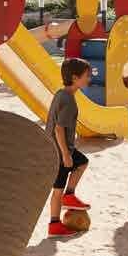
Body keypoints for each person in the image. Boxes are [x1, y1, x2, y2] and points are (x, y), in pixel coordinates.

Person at [46, 58, 93, 237]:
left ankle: (65, 202)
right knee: (58, 190)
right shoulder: (68, 101)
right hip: (59, 151)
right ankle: (56, 222)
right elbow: (59, 129)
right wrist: (66, 154)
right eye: (86, 76)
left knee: (82, 163)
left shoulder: (61, 94)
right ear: (75, 78)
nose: (89, 79)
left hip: (54, 148)